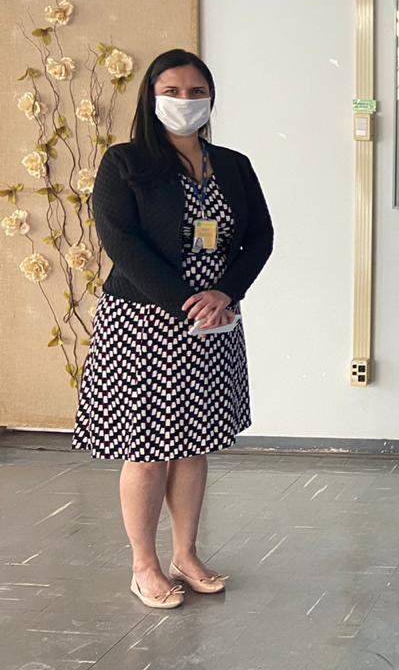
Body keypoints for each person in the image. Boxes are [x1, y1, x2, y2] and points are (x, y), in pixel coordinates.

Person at [72, 49, 273, 607]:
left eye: (196, 92)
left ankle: (187, 554)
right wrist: (188, 301)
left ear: (210, 98)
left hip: (214, 322)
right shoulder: (125, 163)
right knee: (146, 449)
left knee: (192, 445)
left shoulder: (232, 165)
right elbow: (122, 244)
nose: (185, 101)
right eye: (173, 91)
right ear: (151, 97)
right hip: (143, 323)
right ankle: (144, 566)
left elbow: (260, 237)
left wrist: (224, 293)